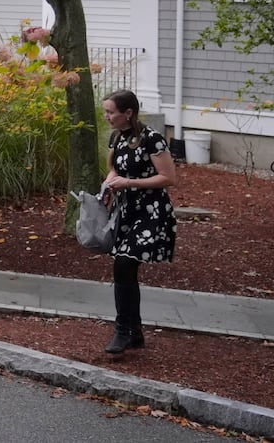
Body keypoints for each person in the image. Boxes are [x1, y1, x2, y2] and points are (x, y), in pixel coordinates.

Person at [102, 89, 177, 354]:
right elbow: (115, 169)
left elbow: (168, 177)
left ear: (128, 113)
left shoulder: (152, 139)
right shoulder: (118, 138)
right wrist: (111, 181)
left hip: (150, 211)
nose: (107, 117)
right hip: (127, 211)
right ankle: (134, 332)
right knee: (125, 270)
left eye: (111, 112)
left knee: (123, 264)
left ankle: (122, 331)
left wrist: (129, 183)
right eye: (106, 112)